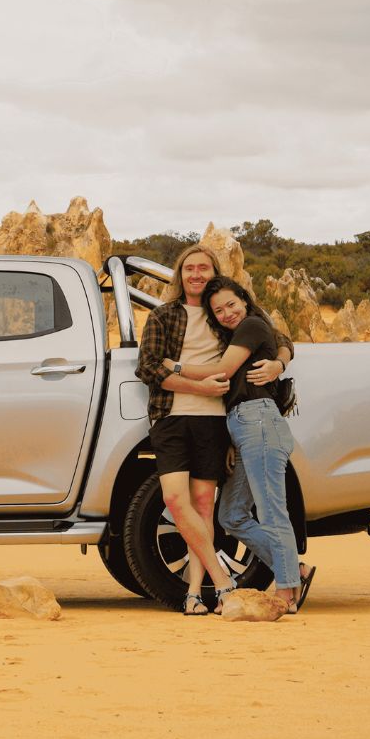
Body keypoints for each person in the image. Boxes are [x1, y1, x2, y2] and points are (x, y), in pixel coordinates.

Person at [136, 246, 292, 615]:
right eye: (189, 268)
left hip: (216, 421)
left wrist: (278, 364)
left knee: (205, 506)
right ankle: (223, 583)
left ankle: (194, 593)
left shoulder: (224, 314)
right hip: (171, 416)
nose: (196, 274)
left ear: (214, 274)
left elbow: (278, 338)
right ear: (180, 274)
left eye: (203, 268)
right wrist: (196, 386)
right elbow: (149, 368)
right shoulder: (163, 315)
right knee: (176, 502)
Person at [170, 275, 313, 614]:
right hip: (243, 425)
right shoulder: (242, 334)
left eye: (231, 304)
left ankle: (287, 593)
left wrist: (171, 365)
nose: (227, 313)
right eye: (218, 310)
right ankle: (296, 570)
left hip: (259, 421)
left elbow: (222, 370)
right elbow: (283, 343)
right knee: (231, 515)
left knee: (272, 510)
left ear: (245, 301)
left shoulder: (250, 325)